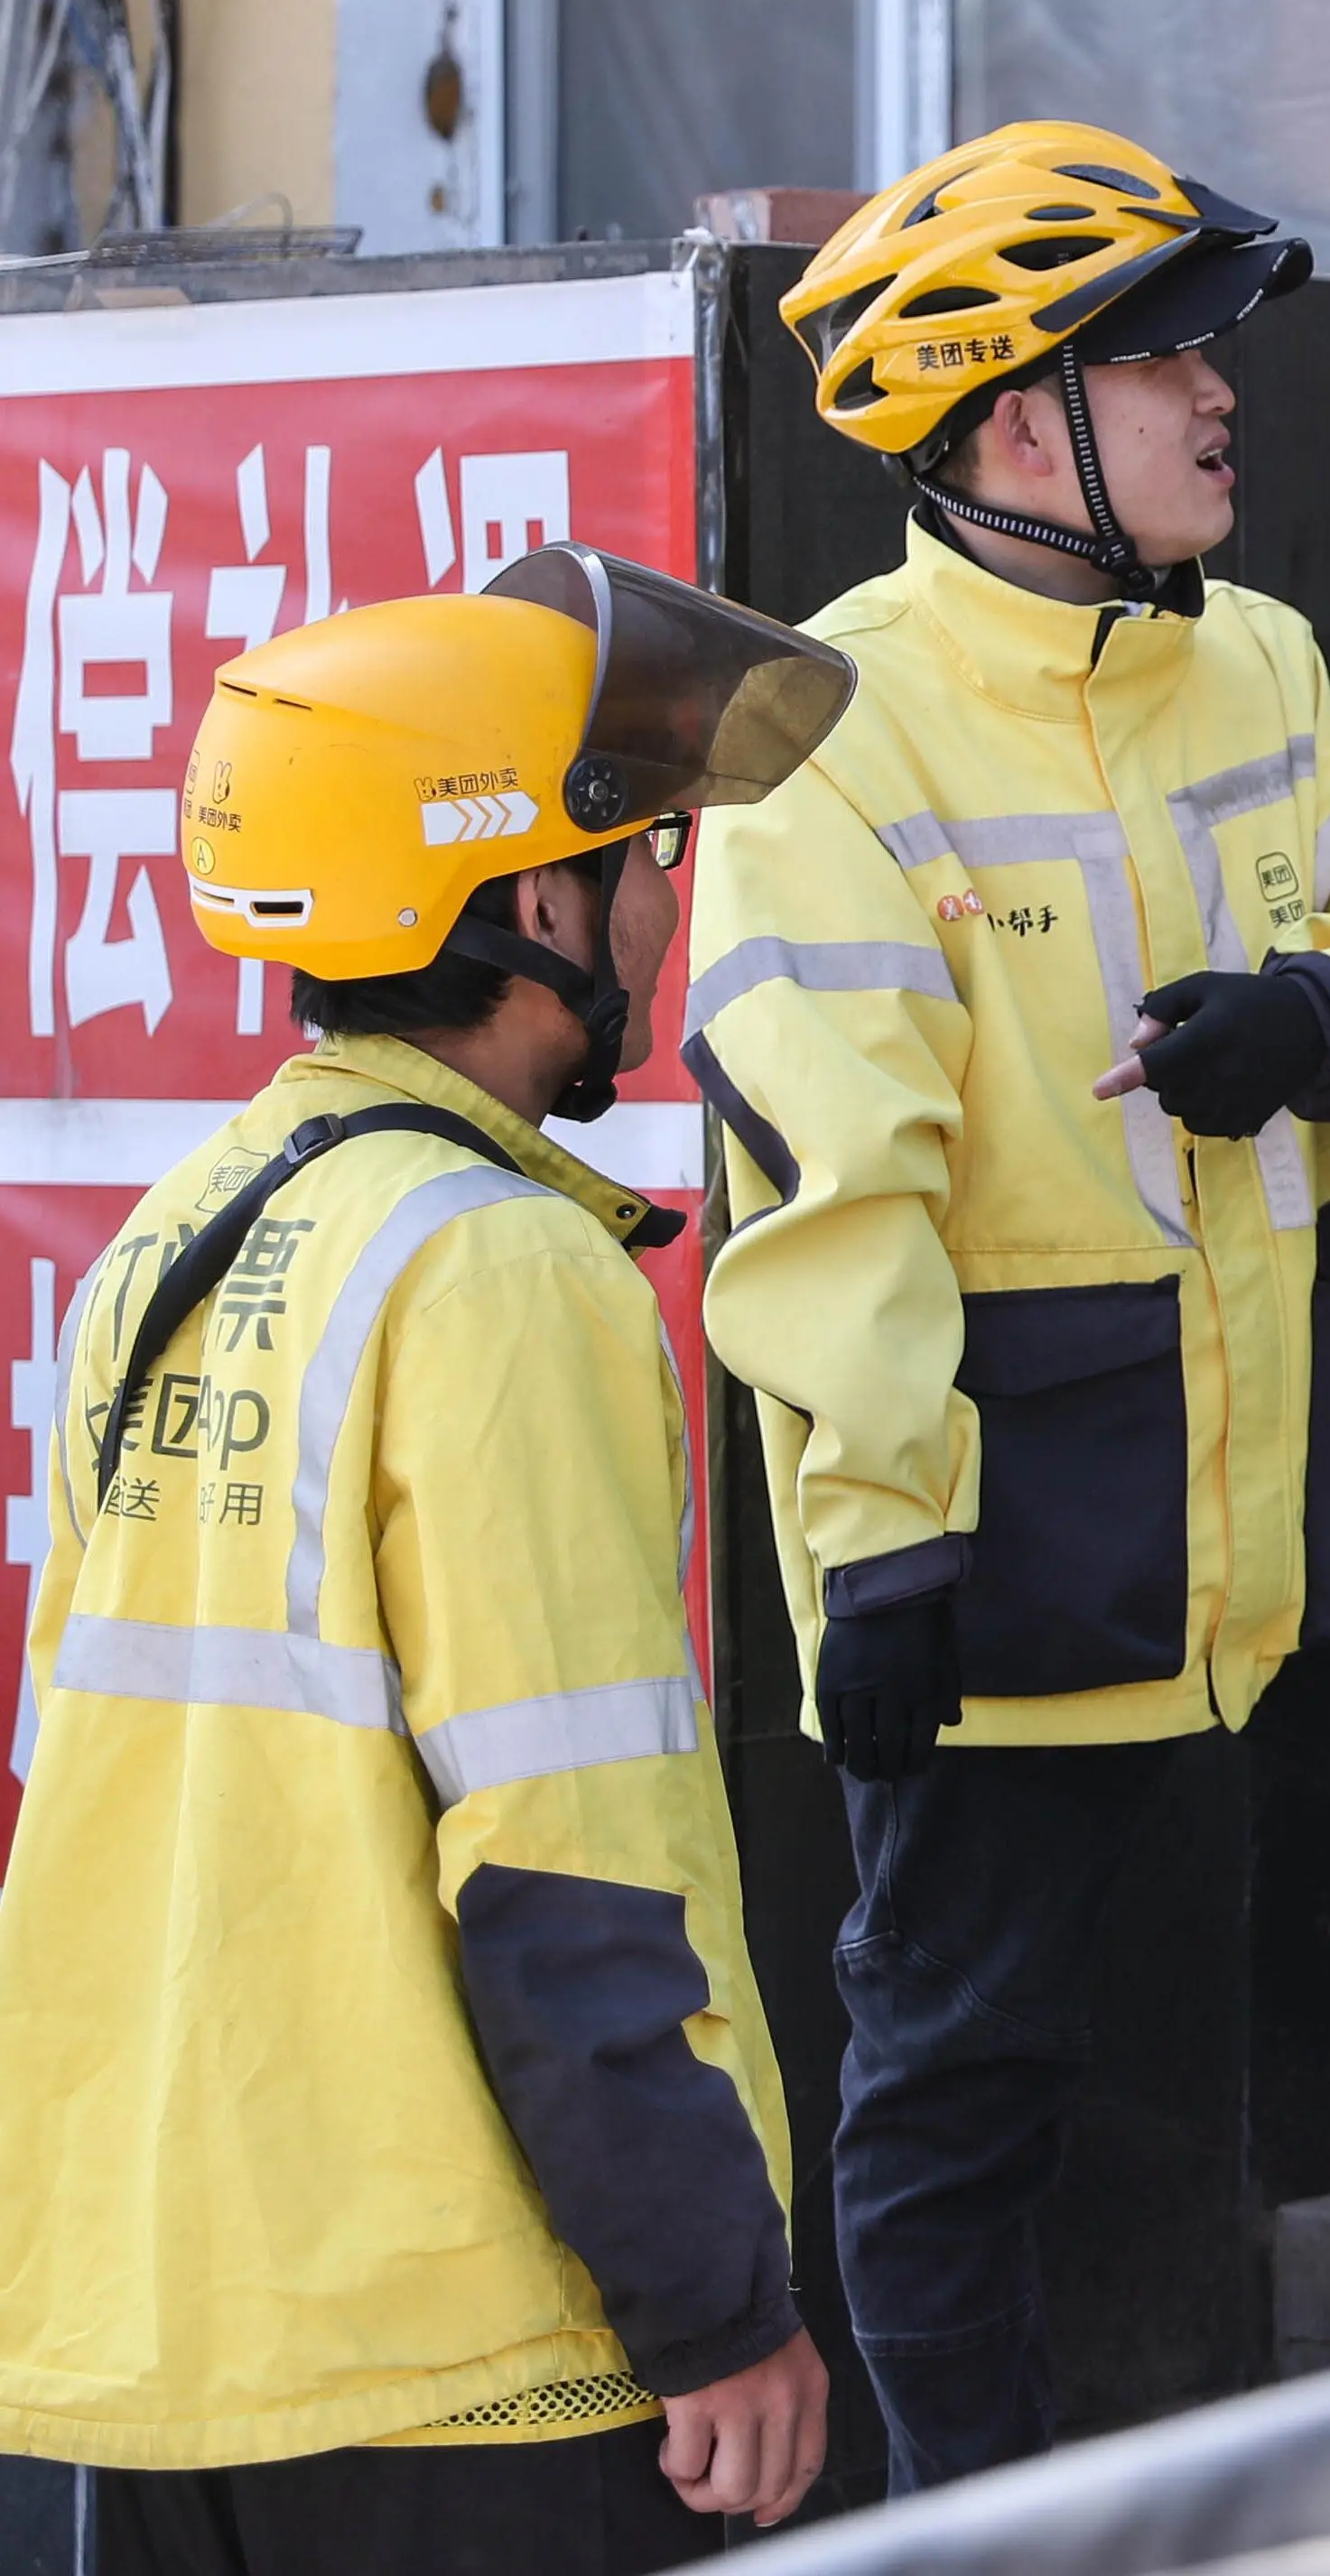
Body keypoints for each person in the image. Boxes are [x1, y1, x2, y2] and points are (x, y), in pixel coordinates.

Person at [687, 121, 1330, 2488]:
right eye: (1164, 359)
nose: (1224, 396)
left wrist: (1319, 1010)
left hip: (1283, 1507)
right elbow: (828, 1189)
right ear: (1015, 424)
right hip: (1015, 1528)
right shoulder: (827, 733)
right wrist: (887, 1541)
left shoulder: (1259, 657)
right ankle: (976, 2542)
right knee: (958, 2096)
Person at [0, 552, 851, 2567]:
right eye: (642, 852)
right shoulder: (498, 1273)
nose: (668, 902)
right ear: (536, 906)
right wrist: (714, 2307)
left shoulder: (180, 1229)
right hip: (455, 2345)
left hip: (175, 2322)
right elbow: (568, 1853)